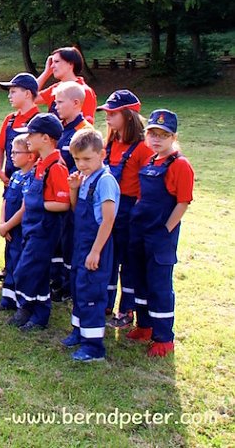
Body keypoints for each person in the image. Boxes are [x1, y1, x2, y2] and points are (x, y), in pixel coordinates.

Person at [126, 109, 194, 358]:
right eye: (152, 133)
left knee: (159, 285)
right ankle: (144, 325)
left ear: (173, 137)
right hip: (139, 232)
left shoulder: (180, 165)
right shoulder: (150, 161)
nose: (157, 139)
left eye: (163, 135)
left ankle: (164, 337)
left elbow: (183, 202)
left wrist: (166, 229)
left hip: (160, 236)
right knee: (139, 280)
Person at [61, 128, 119, 362]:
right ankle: (79, 331)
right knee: (78, 288)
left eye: (87, 158)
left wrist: (96, 251)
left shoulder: (105, 181)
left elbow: (108, 219)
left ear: (101, 154)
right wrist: (73, 189)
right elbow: (76, 210)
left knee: (92, 292)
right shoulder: (84, 178)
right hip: (81, 244)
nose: (81, 164)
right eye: (76, 159)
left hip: (97, 245)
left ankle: (93, 346)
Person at [98, 90, 154, 329]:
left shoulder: (143, 147)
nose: (108, 117)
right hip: (109, 206)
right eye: (107, 113)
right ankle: (106, 302)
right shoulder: (109, 142)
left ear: (129, 115)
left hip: (131, 209)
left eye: (113, 113)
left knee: (128, 262)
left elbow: (147, 184)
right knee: (108, 257)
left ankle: (126, 309)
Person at [9, 113, 70, 332]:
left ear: (46, 138)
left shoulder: (56, 167)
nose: (27, 139)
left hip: (44, 228)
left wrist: (40, 205)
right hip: (31, 226)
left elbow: (63, 203)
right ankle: (29, 308)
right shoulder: (41, 164)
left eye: (31, 135)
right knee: (34, 271)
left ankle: (38, 313)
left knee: (28, 271)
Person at [51, 81, 95, 302]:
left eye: (59, 102)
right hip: (56, 197)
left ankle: (69, 285)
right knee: (58, 240)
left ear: (76, 103)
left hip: (73, 196)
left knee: (70, 241)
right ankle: (57, 279)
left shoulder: (85, 131)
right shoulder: (61, 128)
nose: (55, 106)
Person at [0, 135, 37, 311]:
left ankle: (22, 302)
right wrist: (2, 223)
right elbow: (6, 200)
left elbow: (24, 208)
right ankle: (8, 299)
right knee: (10, 263)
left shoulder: (32, 178)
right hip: (9, 230)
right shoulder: (15, 176)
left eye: (16, 152)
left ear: (30, 156)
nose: (11, 156)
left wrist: (8, 226)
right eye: (11, 151)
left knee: (21, 266)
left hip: (19, 231)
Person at [0, 73, 41, 183]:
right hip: (10, 180)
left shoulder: (40, 121)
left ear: (27, 94)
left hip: (31, 182)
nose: (9, 96)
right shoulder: (10, 119)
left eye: (13, 92)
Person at [36, 47, 97, 124]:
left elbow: (87, 125)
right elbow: (29, 97)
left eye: (57, 62)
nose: (52, 66)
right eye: (52, 63)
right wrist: (46, 72)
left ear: (70, 64)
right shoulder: (55, 88)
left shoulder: (85, 91)